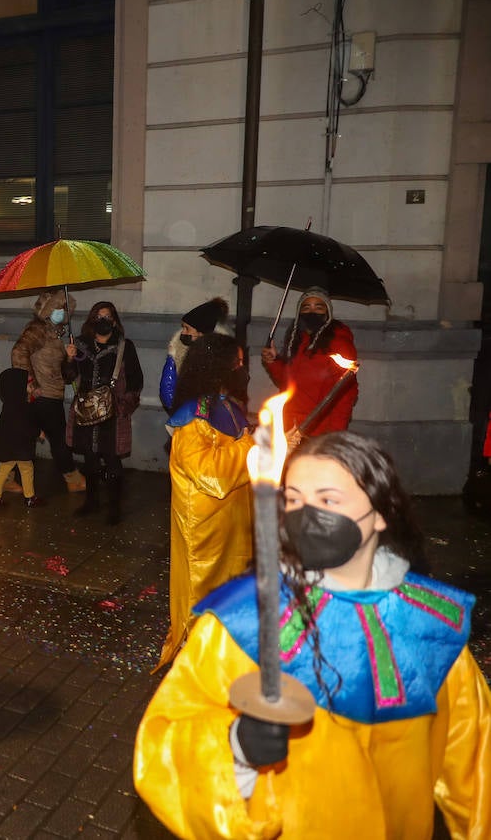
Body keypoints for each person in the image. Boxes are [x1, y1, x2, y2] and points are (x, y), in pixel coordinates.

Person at [135, 431, 491, 837]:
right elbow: (167, 740)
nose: (304, 514)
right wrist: (234, 748)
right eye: (292, 499)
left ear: (379, 513)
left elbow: (477, 773)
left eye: (327, 500)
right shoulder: (242, 622)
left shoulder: (431, 630)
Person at [157, 333, 253, 669]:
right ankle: (196, 663)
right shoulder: (193, 416)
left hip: (233, 526)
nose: (242, 368)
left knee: (232, 592)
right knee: (206, 596)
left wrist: (279, 444)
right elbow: (214, 475)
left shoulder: (229, 406)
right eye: (236, 363)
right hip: (205, 533)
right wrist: (252, 448)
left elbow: (246, 460)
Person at [63, 301, 142, 525]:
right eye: (98, 316)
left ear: (114, 321)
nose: (103, 320)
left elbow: (136, 380)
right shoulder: (79, 345)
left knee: (112, 460)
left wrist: (124, 405)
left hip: (113, 413)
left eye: (107, 316)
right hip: (86, 411)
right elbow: (68, 376)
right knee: (89, 460)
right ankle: (92, 501)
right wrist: (69, 357)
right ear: (91, 320)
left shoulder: (125, 347)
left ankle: (114, 507)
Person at [10, 290, 85, 494]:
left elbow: (67, 376)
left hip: (52, 394)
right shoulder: (38, 329)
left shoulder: (57, 333)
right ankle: (73, 478)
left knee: (27, 437)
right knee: (56, 438)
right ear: (49, 309)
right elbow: (18, 352)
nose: (62, 312)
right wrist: (30, 383)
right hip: (41, 396)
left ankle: (8, 476)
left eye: (64, 309)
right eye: (58, 308)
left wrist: (69, 358)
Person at [261, 288, 358, 444]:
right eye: (306, 307)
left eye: (318, 307)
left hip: (318, 432)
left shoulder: (338, 343)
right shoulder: (297, 341)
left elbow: (345, 394)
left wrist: (333, 435)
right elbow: (286, 383)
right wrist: (273, 361)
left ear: (327, 312)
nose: (312, 311)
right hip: (291, 428)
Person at [159, 297, 231, 416]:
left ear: (201, 333)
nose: (183, 332)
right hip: (185, 419)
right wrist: (171, 358)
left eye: (187, 328)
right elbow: (168, 395)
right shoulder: (178, 353)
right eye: (183, 327)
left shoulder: (218, 359)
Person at [0, 367, 40, 508]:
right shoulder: (21, 407)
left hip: (8, 447)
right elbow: (25, 426)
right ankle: (29, 497)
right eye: (29, 386)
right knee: (27, 470)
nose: (31, 388)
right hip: (20, 448)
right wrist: (37, 432)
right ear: (18, 388)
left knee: (2, 471)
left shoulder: (9, 406)